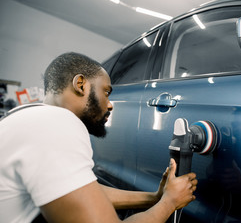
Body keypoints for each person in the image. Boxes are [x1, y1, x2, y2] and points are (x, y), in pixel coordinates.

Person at [0, 52, 198, 223]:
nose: (110, 104)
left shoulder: (29, 116)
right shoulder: (57, 123)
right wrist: (169, 202)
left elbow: (82, 192)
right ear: (81, 84)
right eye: (106, 92)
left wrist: (155, 197)